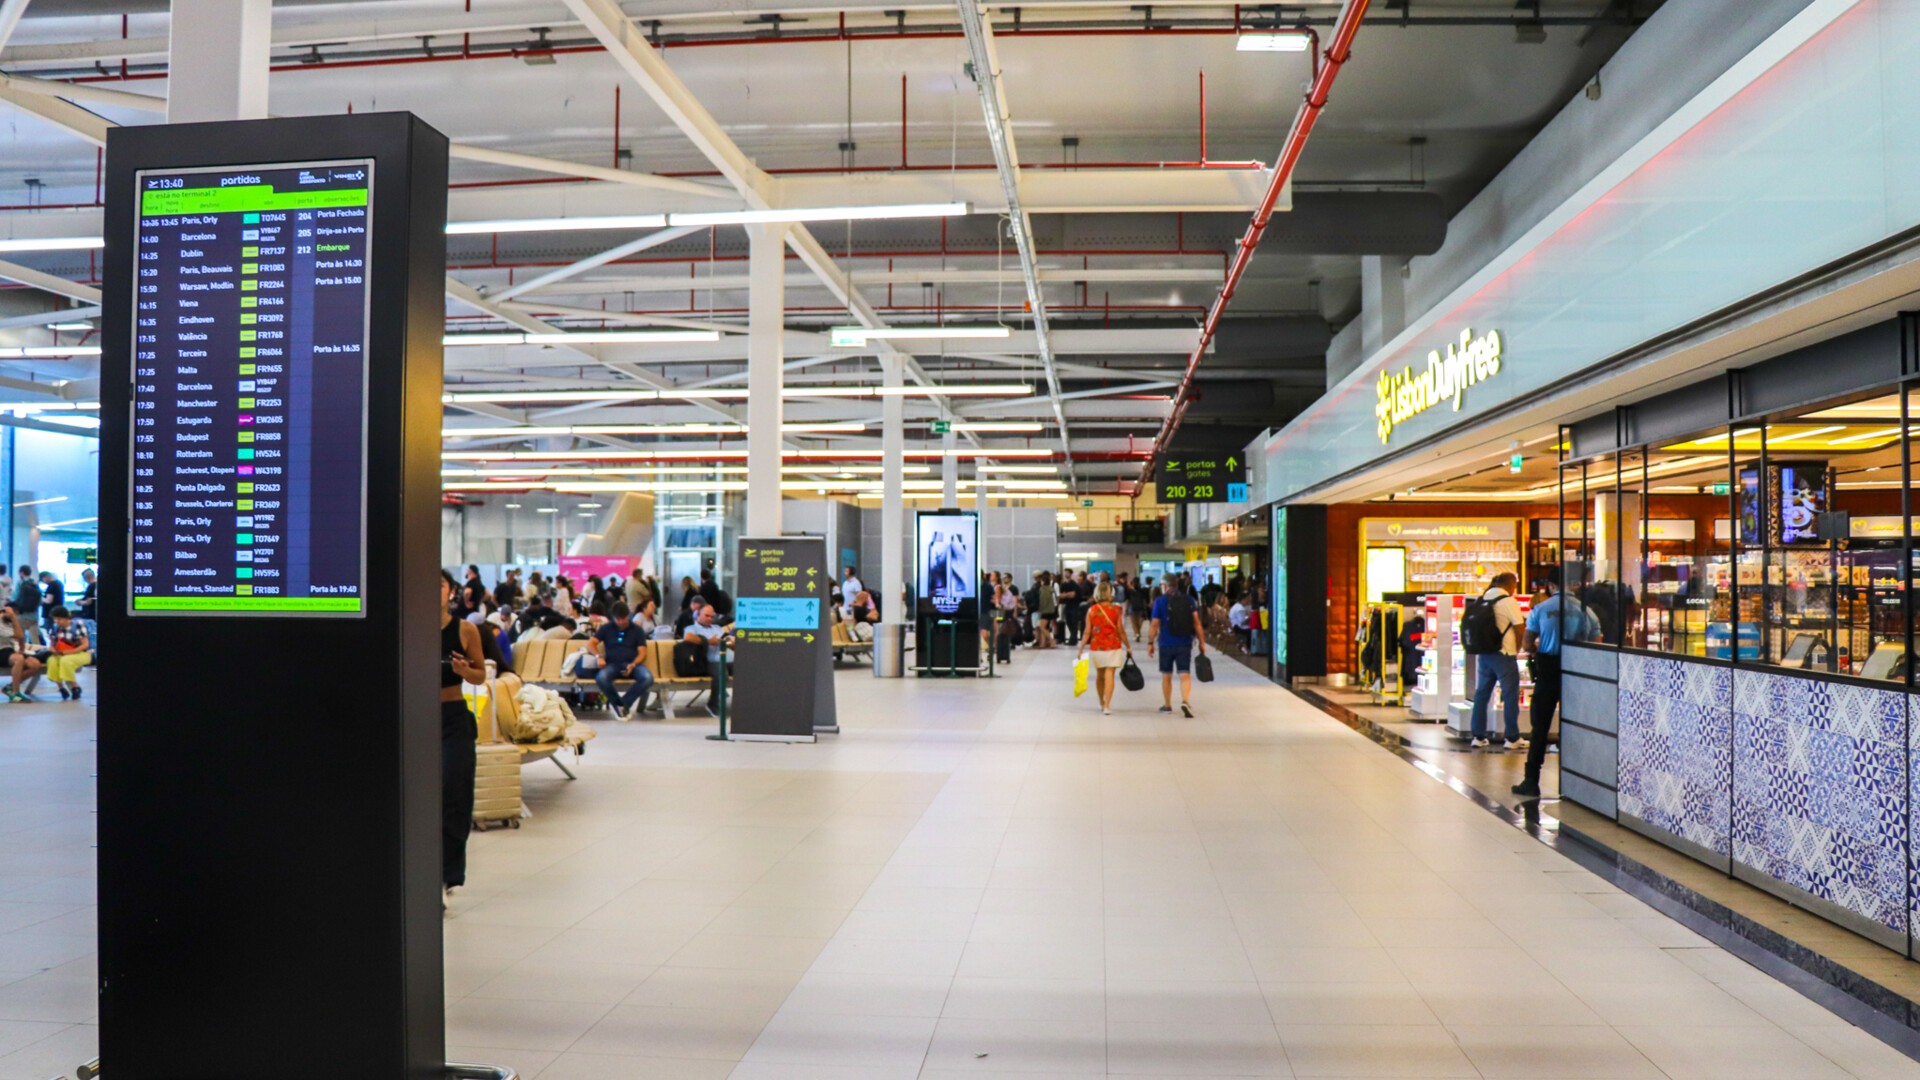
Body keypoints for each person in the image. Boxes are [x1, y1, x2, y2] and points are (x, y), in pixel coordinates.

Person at [1513, 579, 1601, 798]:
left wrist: (1538, 647)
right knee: (1576, 724)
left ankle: (1531, 780)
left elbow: (1526, 644)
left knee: (1540, 727)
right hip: (1576, 670)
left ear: (1551, 585)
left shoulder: (1540, 609)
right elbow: (1597, 643)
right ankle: (1580, 782)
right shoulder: (1586, 611)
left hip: (1548, 669)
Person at [439, 571, 487, 907]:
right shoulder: (406, 625)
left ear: (452, 592)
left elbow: (480, 674)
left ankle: (446, 874)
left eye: (438, 585)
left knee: (455, 793)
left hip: (453, 716)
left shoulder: (465, 629)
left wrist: (463, 671)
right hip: (414, 718)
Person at [1468, 571, 1528, 751]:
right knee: (1510, 695)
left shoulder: (1483, 598)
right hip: (1504, 654)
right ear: (1511, 585)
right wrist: (1517, 650)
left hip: (1484, 654)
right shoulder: (1508, 601)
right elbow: (1520, 628)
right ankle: (1512, 737)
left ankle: (1478, 736)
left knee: (1482, 695)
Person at [1148, 577, 1205, 717]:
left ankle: (1167, 705)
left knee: (1166, 675)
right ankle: (1185, 701)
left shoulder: (1160, 601)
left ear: (1165, 586)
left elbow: (1155, 624)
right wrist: (1202, 642)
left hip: (1166, 643)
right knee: (1184, 674)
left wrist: (1150, 643)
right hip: (1184, 642)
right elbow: (1196, 622)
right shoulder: (1189, 600)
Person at [592, 602, 655, 720]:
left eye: (624, 619)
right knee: (601, 678)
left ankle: (622, 704)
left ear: (628, 616)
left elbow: (642, 653)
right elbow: (591, 643)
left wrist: (633, 664)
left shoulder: (637, 630)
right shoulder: (606, 628)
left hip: (633, 664)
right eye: (618, 619)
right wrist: (598, 656)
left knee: (647, 678)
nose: (621, 622)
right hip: (612, 664)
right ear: (613, 617)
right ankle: (620, 705)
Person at [1079, 582, 1131, 716]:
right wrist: (1128, 645)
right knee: (1110, 674)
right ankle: (1107, 705)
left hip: (1097, 647)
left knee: (1100, 675)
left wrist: (1081, 648)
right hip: (1113, 645)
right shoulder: (1116, 610)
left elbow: (1087, 632)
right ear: (1110, 593)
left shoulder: (1092, 610)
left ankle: (1101, 702)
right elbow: (1120, 630)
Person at [35, 606, 89, 701]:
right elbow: (52, 644)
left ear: (66, 617)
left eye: (59, 619)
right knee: (51, 661)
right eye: (55, 619)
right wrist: (52, 649)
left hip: (80, 653)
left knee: (65, 661)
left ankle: (74, 687)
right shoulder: (55, 627)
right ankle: (61, 688)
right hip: (61, 653)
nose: (57, 621)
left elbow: (85, 645)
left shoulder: (77, 625)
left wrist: (69, 652)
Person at [1057, 570, 1082, 647]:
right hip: (1066, 605)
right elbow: (1060, 595)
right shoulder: (1063, 584)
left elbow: (1073, 595)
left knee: (1073, 622)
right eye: (1065, 572)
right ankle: (1072, 637)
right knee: (1068, 621)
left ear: (1070, 574)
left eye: (1067, 573)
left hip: (1074, 605)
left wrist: (1065, 594)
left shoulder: (1074, 584)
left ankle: (1073, 639)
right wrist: (1067, 594)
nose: (1066, 574)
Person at [75, 569, 97, 657]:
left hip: (90, 615)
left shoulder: (92, 586)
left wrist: (79, 602)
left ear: (85, 578)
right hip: (95, 614)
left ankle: (91, 654)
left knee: (91, 635)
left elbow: (88, 601)